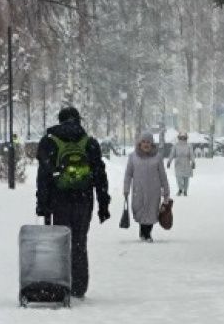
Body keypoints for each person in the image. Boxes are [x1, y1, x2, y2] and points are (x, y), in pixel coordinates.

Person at [35, 106, 111, 298]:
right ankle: (78, 286)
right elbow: (100, 176)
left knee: (61, 242)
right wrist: (103, 205)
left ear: (60, 120)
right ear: (78, 120)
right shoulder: (89, 143)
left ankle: (60, 285)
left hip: (59, 200)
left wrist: (42, 204)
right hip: (83, 200)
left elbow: (43, 176)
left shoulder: (49, 142)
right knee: (79, 242)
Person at [124, 132, 171, 242]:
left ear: (152, 144)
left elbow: (163, 175)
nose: (146, 144)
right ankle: (143, 232)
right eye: (143, 142)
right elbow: (128, 174)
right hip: (138, 191)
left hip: (153, 192)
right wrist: (126, 188)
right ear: (139, 143)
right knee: (139, 211)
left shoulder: (157, 157)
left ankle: (147, 234)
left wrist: (166, 191)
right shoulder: (133, 157)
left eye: (148, 142)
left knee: (151, 212)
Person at [167, 132, 196, 196]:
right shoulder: (176, 145)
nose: (182, 139)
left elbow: (191, 154)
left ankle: (185, 191)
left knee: (186, 178)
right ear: (179, 138)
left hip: (186, 163)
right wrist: (169, 161)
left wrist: (193, 162)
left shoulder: (189, 146)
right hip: (178, 163)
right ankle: (180, 189)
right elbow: (172, 154)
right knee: (178, 177)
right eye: (181, 138)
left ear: (186, 138)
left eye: (184, 138)